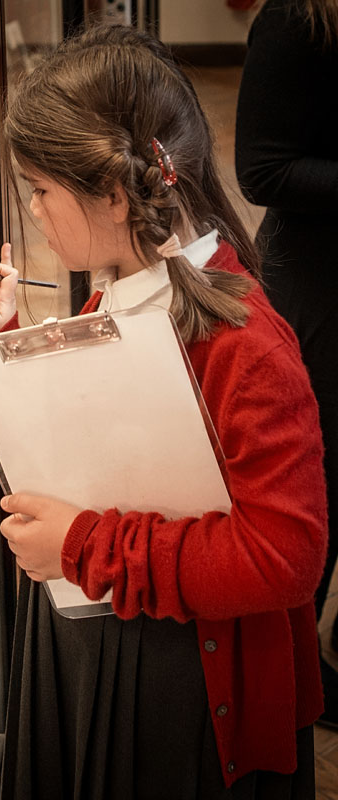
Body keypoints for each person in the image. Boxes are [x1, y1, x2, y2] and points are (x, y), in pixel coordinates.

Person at [0, 25, 328, 798]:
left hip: (189, 693)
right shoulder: (115, 292)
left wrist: (85, 547)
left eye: (39, 188)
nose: (31, 208)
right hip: (115, 641)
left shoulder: (247, 347)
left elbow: (286, 558)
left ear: (116, 192)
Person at [236, 0, 338, 724]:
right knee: (318, 476)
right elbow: (262, 171)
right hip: (320, 284)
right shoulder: (298, 19)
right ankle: (294, 681)